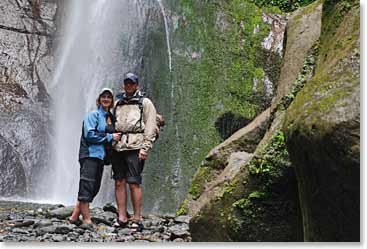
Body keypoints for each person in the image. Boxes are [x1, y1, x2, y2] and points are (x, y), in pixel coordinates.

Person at [68, 88, 121, 228]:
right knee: (87, 185)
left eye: (109, 97)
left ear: (112, 101)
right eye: (103, 96)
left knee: (94, 187)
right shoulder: (93, 114)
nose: (106, 99)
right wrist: (110, 137)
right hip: (90, 154)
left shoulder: (110, 117)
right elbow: (89, 135)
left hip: (100, 157)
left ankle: (74, 216)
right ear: (99, 99)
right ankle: (86, 219)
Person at [112, 73, 158, 231]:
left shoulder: (145, 103)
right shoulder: (118, 103)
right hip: (118, 147)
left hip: (135, 147)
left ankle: (137, 218)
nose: (129, 85)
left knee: (134, 182)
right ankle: (122, 216)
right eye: (126, 83)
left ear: (137, 85)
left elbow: (151, 126)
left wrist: (145, 148)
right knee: (119, 181)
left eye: (131, 83)